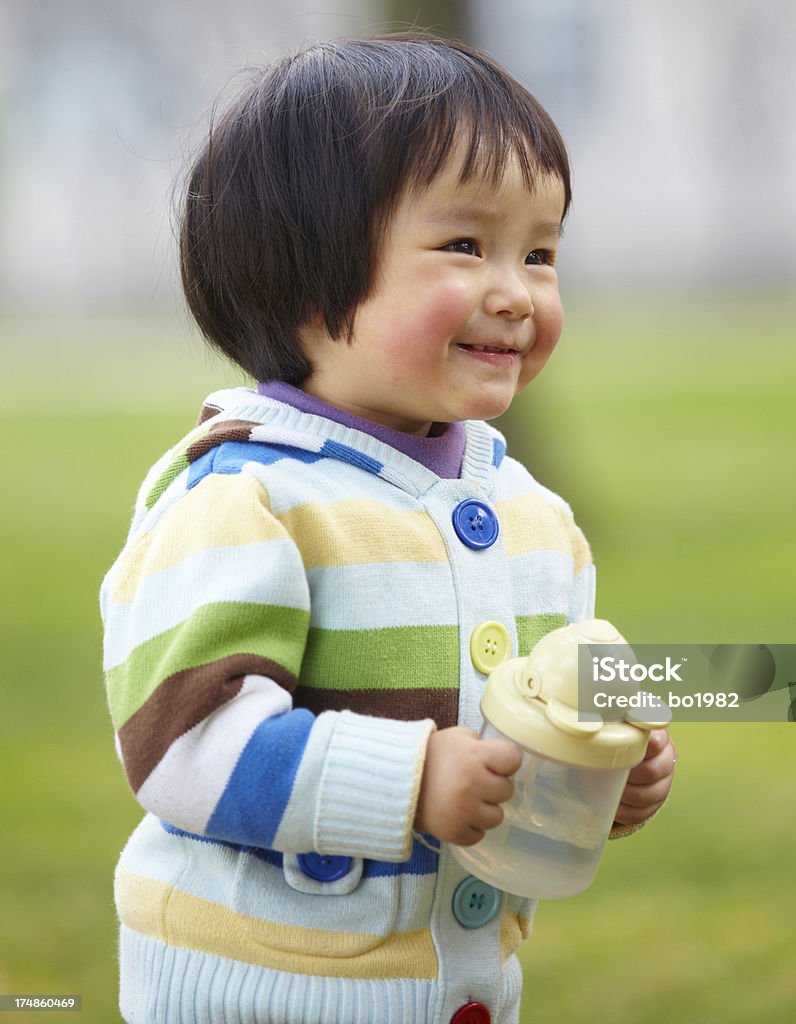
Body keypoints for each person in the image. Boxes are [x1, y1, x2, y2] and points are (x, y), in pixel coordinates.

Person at [101, 34, 677, 1024]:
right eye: (466, 245)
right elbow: (183, 746)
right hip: (260, 988)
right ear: (307, 282)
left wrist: (601, 761)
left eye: (540, 253)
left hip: (455, 987)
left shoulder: (534, 517)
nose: (517, 290)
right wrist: (407, 781)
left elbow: (533, 708)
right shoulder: (244, 501)